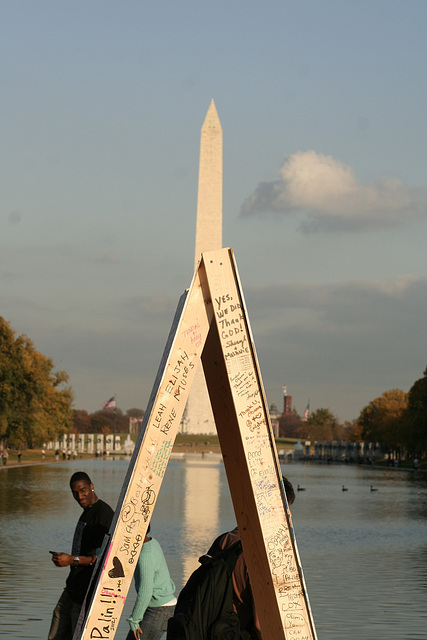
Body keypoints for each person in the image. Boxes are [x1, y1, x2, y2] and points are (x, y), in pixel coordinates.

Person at [207, 476, 295, 640]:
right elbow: (261, 624)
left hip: (213, 631)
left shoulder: (224, 540)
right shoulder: (264, 555)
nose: (289, 516)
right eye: (285, 510)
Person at [48, 471, 114, 640]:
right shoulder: (87, 511)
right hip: (72, 587)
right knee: (55, 634)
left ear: (92, 487)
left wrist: (71, 559)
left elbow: (104, 558)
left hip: (86, 593)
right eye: (75, 493)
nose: (79, 496)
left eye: (83, 490)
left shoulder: (104, 515)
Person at [126, 524, 176, 640]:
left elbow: (145, 591)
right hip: (163, 607)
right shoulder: (152, 543)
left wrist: (134, 620)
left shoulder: (145, 555)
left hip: (158, 610)